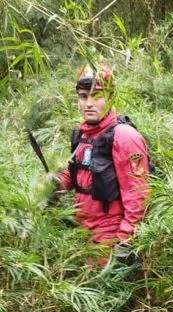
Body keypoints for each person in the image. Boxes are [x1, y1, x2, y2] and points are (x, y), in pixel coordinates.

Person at [49, 63, 151, 266]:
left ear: (111, 97)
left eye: (97, 95)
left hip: (110, 237)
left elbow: (138, 195)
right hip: (83, 231)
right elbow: (75, 172)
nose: (89, 103)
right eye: (83, 96)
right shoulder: (82, 134)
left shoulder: (124, 137)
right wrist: (53, 186)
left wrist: (125, 241)